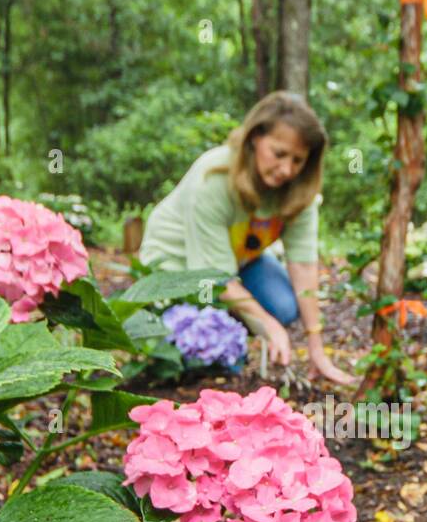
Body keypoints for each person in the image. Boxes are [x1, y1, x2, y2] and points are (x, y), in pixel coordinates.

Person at [139, 91, 354, 383]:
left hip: (238, 260)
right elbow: (212, 276)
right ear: (255, 137)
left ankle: (234, 317)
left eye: (298, 160)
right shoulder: (213, 178)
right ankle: (212, 329)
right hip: (178, 263)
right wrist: (267, 324)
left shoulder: (298, 191)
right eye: (279, 154)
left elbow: (303, 266)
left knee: (283, 307)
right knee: (204, 360)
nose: (286, 170)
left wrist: (316, 347)